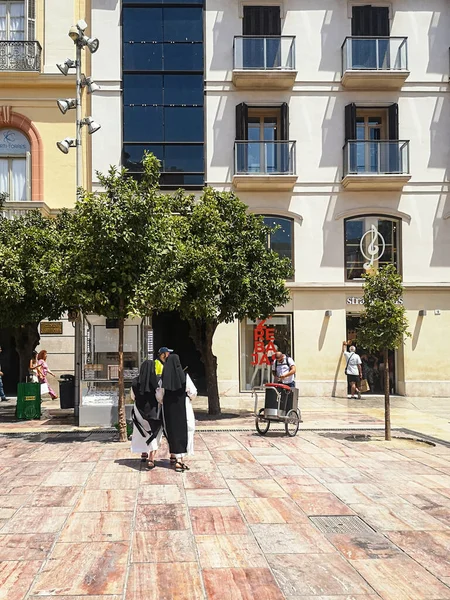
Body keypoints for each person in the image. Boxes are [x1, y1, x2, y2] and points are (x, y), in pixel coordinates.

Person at [130, 359, 163, 469]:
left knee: (141, 432)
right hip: (153, 412)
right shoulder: (157, 381)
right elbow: (160, 397)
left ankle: (143, 452)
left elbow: (132, 397)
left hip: (139, 411)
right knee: (153, 433)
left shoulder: (135, 381)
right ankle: (151, 459)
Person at [161, 353, 190, 472]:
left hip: (168, 408)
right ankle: (179, 460)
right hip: (182, 408)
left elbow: (159, 395)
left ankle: (173, 455)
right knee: (181, 431)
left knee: (171, 431)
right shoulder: (185, 376)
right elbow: (193, 392)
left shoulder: (163, 378)